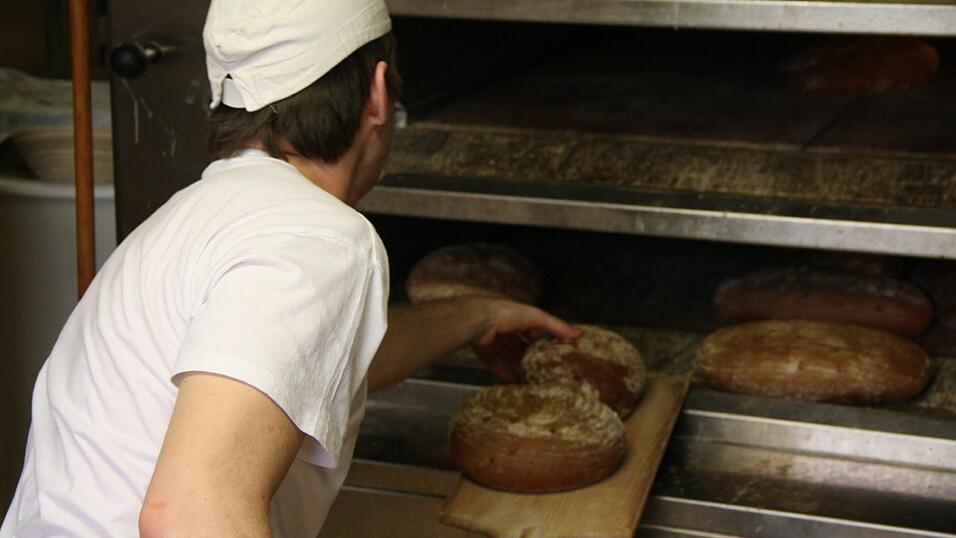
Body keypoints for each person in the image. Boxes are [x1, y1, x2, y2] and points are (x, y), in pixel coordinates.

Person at [1, 0, 579, 536]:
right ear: (378, 94)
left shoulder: (201, 216)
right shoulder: (317, 238)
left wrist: (479, 316)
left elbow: (304, 364)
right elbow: (191, 513)